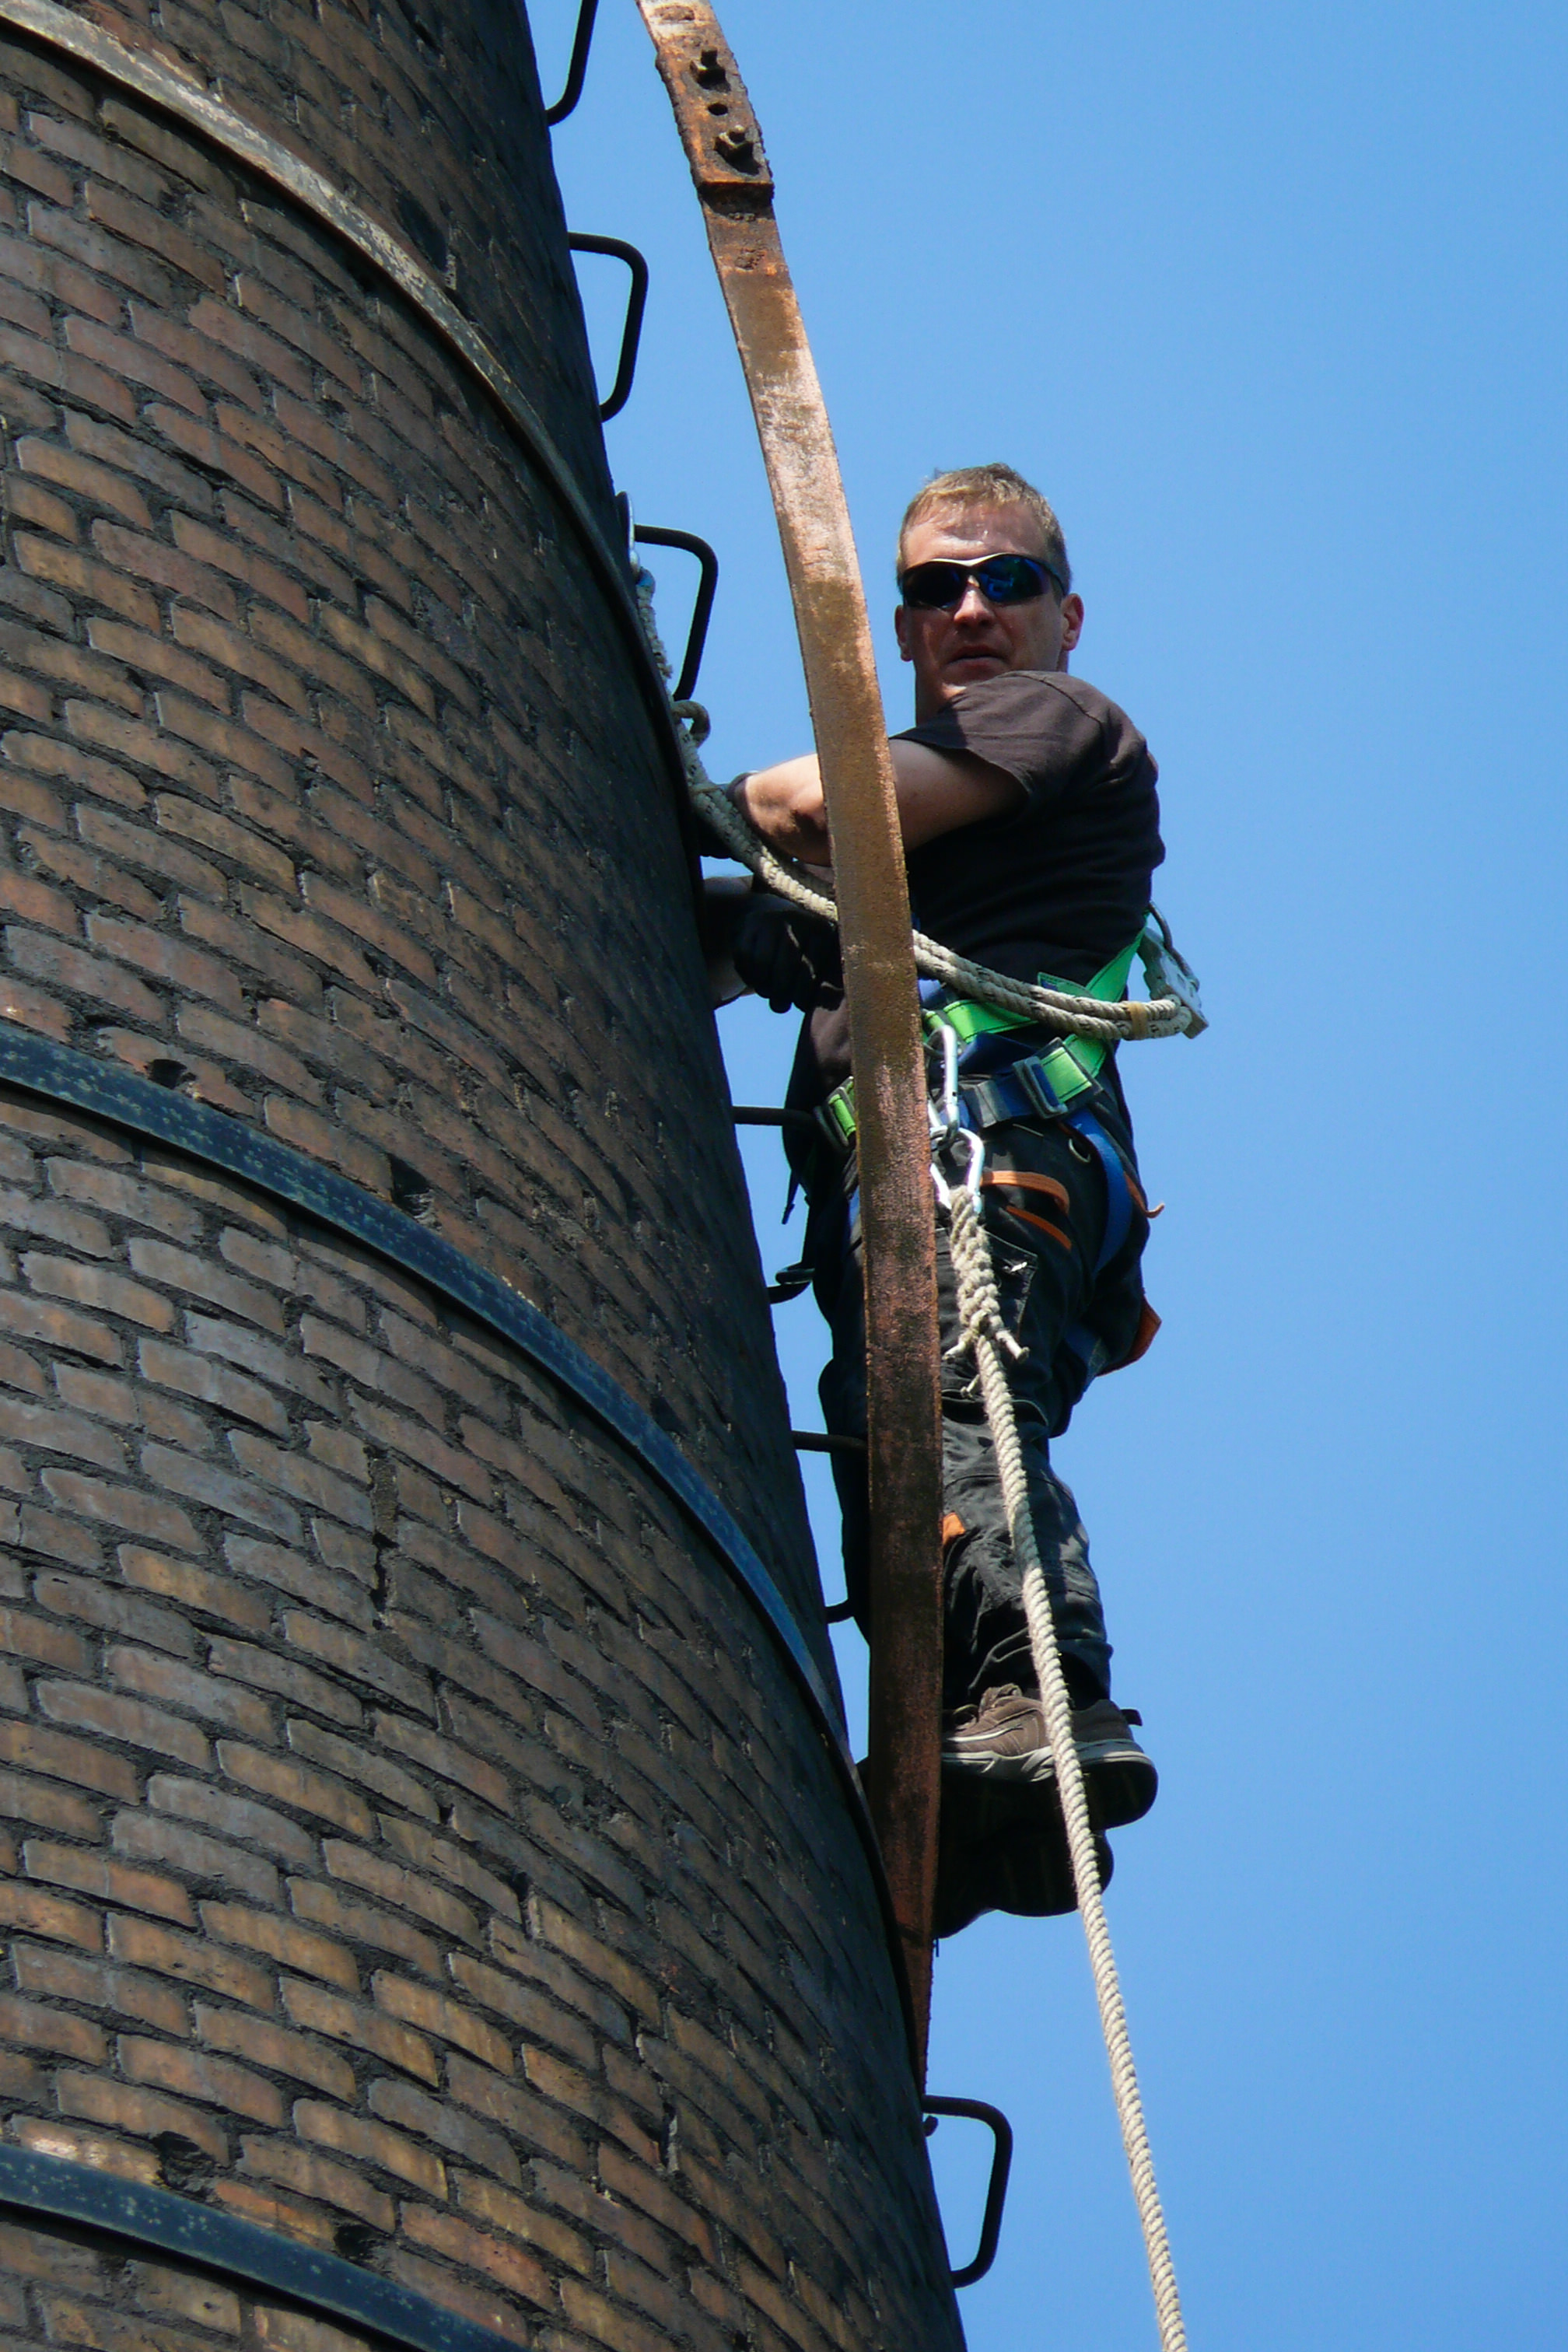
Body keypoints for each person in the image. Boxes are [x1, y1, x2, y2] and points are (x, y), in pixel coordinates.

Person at [723, 463, 1167, 1935]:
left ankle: (1042, 1698)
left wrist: (705, 796)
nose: (972, 609)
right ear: (906, 627)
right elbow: (741, 931)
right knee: (895, 1455)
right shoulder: (903, 875)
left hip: (987, 1153)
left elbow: (810, 801)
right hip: (925, 1175)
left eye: (1005, 580)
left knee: (948, 1403)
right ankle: (970, 1777)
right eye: (935, 589)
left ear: (1065, 617)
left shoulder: (1057, 723)